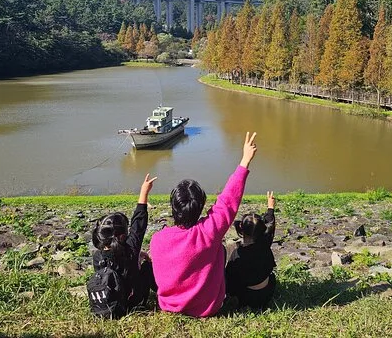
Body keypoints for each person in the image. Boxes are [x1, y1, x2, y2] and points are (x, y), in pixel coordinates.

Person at [150, 132, 258, 317]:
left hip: (169, 305)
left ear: (174, 207)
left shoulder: (158, 239)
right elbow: (227, 202)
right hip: (207, 308)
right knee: (220, 248)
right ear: (200, 207)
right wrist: (244, 161)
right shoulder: (208, 232)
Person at [88, 173, 158, 318]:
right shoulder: (130, 249)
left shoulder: (97, 256)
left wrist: (137, 256)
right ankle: (165, 294)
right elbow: (139, 224)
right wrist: (144, 192)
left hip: (110, 303)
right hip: (134, 303)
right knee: (147, 267)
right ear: (123, 235)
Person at [225, 191, 277, 310]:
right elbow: (270, 227)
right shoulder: (265, 243)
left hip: (247, 298)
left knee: (230, 277)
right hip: (267, 293)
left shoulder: (238, 254)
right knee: (271, 277)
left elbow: (229, 277)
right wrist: (270, 208)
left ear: (241, 229)